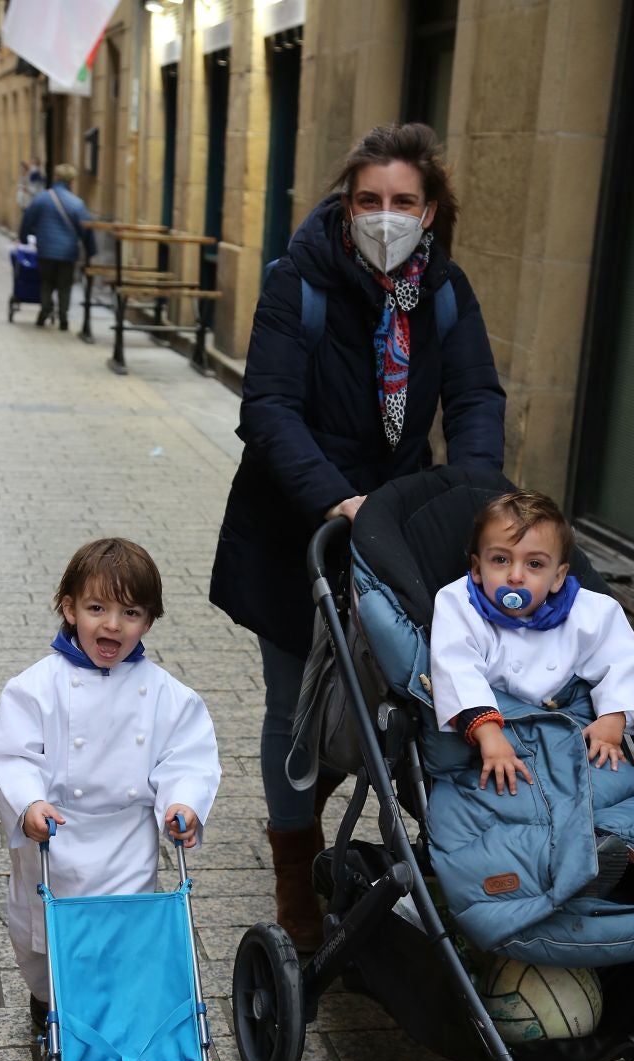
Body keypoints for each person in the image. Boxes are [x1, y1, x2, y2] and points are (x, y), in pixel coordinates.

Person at [210, 121, 505, 949]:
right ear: (346, 206)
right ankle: (293, 874)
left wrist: (474, 501)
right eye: (369, 199)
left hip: (398, 529)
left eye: (404, 201)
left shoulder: (444, 291)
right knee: (295, 705)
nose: (385, 215)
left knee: (393, 695)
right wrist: (337, 501)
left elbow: (475, 398)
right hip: (294, 525)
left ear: (431, 210)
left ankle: (342, 817)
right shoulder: (298, 281)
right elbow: (268, 408)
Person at [0, 538, 222, 1029]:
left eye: (130, 612)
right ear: (70, 610)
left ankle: (114, 1031)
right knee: (47, 944)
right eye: (97, 609)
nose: (112, 624)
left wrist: (183, 803)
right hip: (55, 839)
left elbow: (186, 757)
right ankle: (46, 1003)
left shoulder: (167, 695)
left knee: (123, 942)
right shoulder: (34, 688)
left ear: (148, 621)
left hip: (126, 841)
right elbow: (12, 756)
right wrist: (28, 803)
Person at [430, 490, 634, 902]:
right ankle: (587, 863)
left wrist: (613, 719)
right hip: (501, 736)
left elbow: (621, 656)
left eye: (534, 564)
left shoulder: (587, 611)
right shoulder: (458, 605)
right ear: (477, 569)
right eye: (500, 560)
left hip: (571, 731)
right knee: (514, 803)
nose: (516, 576)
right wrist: (488, 733)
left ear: (557, 577)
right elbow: (455, 666)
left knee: (613, 785)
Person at [18, 162, 95, 331]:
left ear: (56, 177)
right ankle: (63, 318)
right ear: (71, 181)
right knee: (65, 285)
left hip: (45, 250)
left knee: (46, 282)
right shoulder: (76, 203)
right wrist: (91, 251)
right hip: (68, 253)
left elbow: (27, 219)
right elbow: (86, 229)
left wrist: (23, 238)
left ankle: (45, 310)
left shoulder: (42, 199)